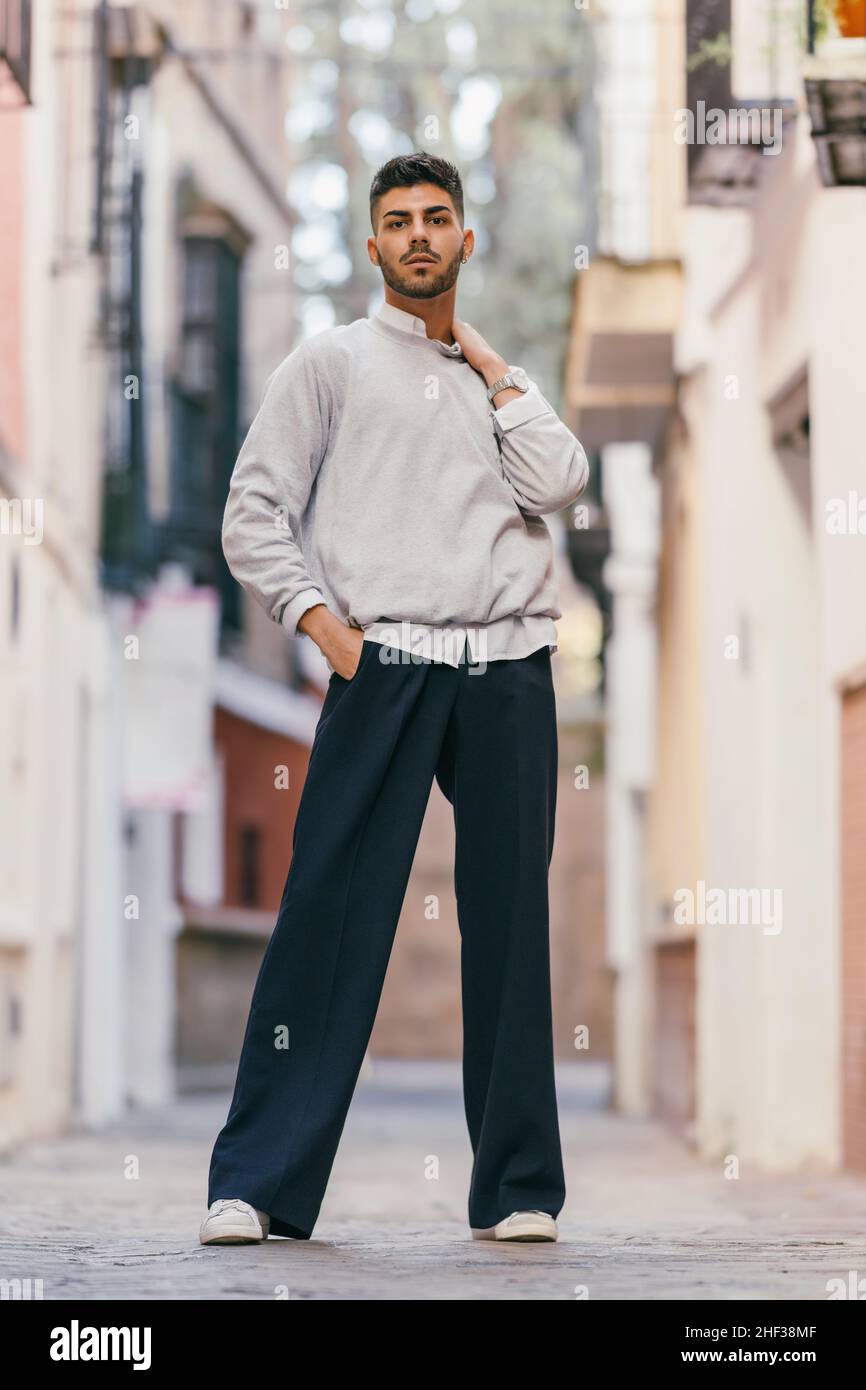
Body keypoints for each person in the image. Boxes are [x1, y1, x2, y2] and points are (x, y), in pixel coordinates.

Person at [200, 152, 589, 1246]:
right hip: (386, 666)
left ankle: (517, 1189)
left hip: (508, 665)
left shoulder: (491, 384)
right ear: (371, 247)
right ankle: (257, 1184)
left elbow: (560, 482)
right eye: (396, 221)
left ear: (466, 239)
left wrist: (486, 360)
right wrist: (328, 630)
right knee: (328, 911)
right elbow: (251, 514)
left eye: (436, 219)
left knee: (510, 927)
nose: (417, 234)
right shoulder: (326, 365)